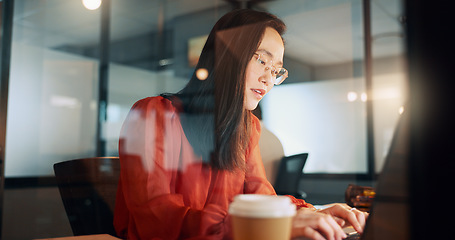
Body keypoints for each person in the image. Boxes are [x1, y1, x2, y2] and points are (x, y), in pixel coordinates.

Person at [114, 9, 367, 240]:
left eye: (276, 70)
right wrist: (267, 226)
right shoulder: (153, 114)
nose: (268, 79)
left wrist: (316, 213)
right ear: (228, 56)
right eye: (261, 60)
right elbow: (156, 219)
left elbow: (262, 199)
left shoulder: (247, 128)